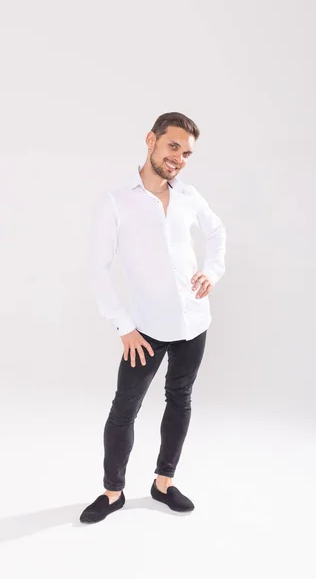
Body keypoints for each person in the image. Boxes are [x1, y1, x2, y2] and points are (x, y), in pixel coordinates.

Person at [80, 111, 226, 523]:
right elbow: (97, 268)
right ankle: (112, 492)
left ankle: (163, 483)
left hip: (194, 322)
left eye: (187, 152)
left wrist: (211, 272)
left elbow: (217, 233)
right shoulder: (115, 202)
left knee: (180, 399)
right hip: (144, 330)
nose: (178, 157)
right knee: (124, 408)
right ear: (152, 140)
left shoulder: (189, 196)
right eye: (173, 146)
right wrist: (124, 327)